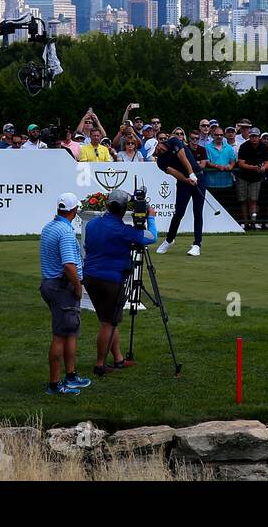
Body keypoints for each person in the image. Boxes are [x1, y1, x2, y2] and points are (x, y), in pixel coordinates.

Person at [82, 188, 157, 377]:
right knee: (108, 322)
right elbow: (151, 237)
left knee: (108, 320)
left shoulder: (91, 225)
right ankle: (100, 364)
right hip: (111, 279)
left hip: (90, 277)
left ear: (108, 205)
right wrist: (152, 218)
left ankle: (118, 358)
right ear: (124, 211)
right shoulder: (123, 231)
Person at [38, 192, 92, 395]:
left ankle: (70, 376)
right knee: (60, 335)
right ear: (74, 210)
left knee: (70, 332)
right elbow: (69, 266)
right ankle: (54, 384)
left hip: (51, 285)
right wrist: (78, 287)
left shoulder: (49, 227)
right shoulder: (66, 232)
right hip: (62, 288)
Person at [155, 135, 203, 256]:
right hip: (183, 183)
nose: (157, 152)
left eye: (157, 149)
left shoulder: (174, 141)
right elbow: (174, 172)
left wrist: (192, 174)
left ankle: (197, 244)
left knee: (198, 212)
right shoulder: (160, 161)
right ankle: (169, 240)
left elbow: (183, 157)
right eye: (154, 152)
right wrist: (187, 180)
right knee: (179, 213)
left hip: (199, 176)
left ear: (158, 144)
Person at [235, 127, 268, 229]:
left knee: (253, 200)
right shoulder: (244, 146)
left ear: (259, 137)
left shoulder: (263, 147)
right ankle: (246, 223)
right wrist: (253, 168)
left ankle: (253, 222)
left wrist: (263, 168)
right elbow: (241, 163)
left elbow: (267, 162)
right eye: (252, 136)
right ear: (249, 137)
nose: (254, 138)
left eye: (256, 136)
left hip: (256, 178)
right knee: (243, 200)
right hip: (243, 176)